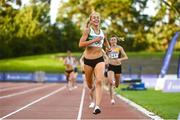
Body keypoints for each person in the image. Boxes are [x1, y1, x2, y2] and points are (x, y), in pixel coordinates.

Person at [79, 11, 110, 114]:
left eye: (98, 17)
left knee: (99, 81)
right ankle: (92, 95)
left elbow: (105, 42)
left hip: (99, 59)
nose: (96, 19)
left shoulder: (102, 32)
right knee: (90, 84)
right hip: (88, 61)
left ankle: (97, 106)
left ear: (99, 19)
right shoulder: (87, 30)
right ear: (91, 20)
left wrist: (108, 48)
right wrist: (94, 40)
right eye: (94, 18)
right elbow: (81, 44)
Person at [107, 36, 128, 104]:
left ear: (116, 41)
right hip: (110, 66)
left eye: (114, 39)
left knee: (117, 85)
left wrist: (119, 59)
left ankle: (114, 85)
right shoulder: (108, 48)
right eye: (112, 40)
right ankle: (112, 99)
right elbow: (105, 56)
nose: (113, 41)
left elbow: (126, 57)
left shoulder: (119, 48)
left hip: (118, 66)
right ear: (110, 41)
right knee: (110, 82)